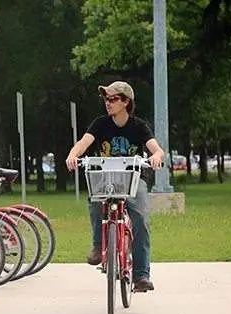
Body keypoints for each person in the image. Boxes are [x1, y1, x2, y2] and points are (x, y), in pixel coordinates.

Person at [64, 81, 164, 292]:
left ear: (126, 102)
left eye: (112, 99)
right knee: (95, 201)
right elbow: (83, 143)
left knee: (140, 219)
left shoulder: (139, 126)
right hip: (106, 177)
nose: (107, 103)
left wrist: (156, 156)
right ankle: (98, 246)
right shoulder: (100, 123)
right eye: (105, 99)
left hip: (133, 179)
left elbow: (156, 149)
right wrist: (73, 154)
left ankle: (141, 275)